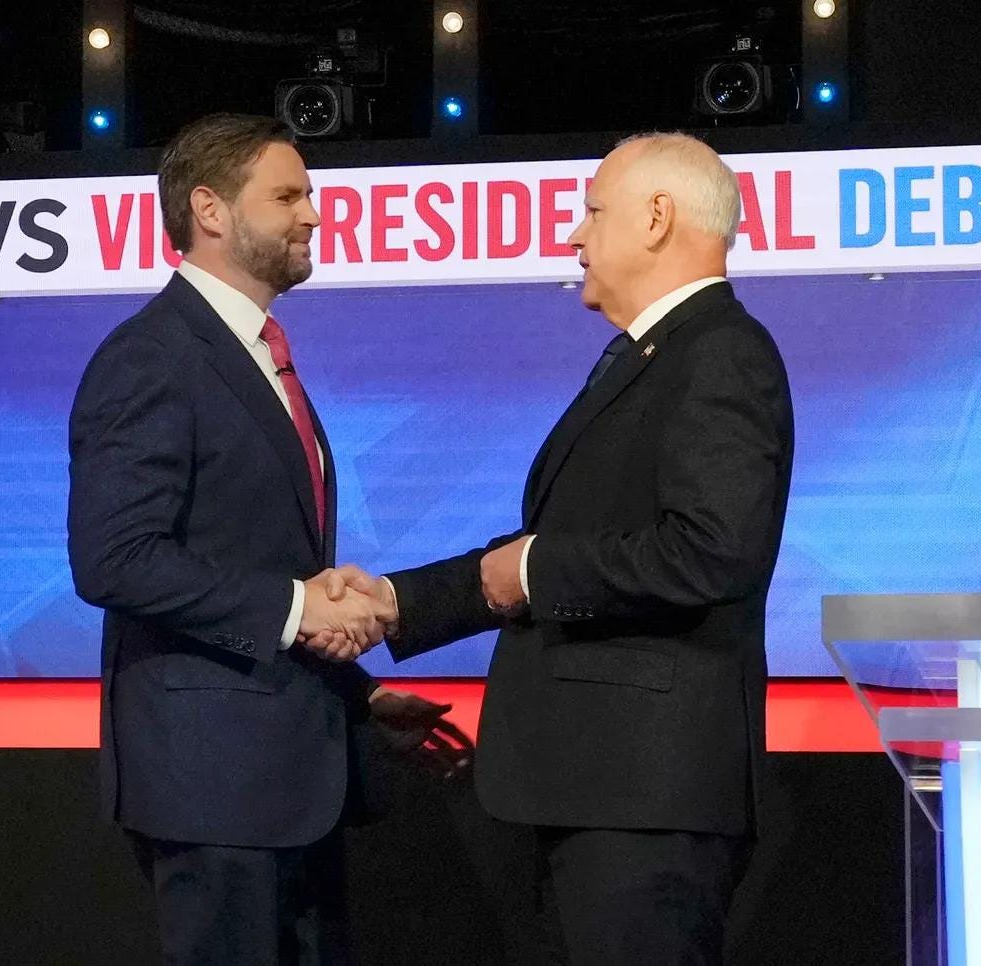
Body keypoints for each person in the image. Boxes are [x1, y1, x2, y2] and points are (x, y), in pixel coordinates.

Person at [325, 132, 795, 965]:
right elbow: (565, 545)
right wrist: (402, 601)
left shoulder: (720, 352)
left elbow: (712, 551)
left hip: (645, 801)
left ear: (657, 218)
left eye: (592, 211)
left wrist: (533, 570)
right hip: (602, 794)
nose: (574, 236)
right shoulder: (654, 358)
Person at [67, 113, 444, 966]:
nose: (313, 214)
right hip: (212, 787)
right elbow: (113, 557)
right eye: (287, 195)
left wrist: (357, 695)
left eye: (308, 194)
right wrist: (297, 606)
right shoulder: (152, 357)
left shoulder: (258, 354)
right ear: (209, 209)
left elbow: (260, 559)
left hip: (293, 774)